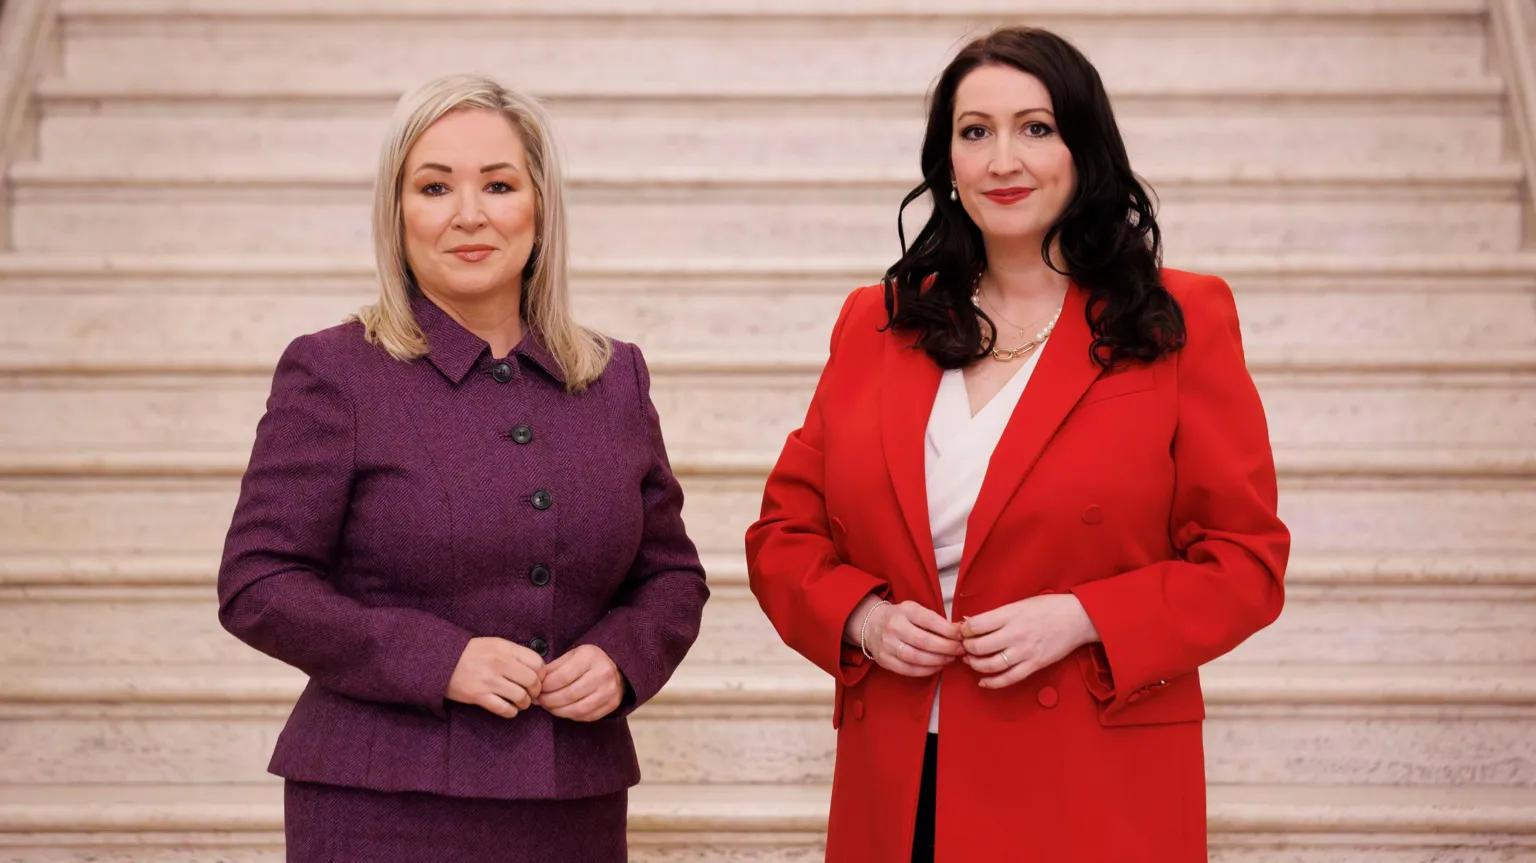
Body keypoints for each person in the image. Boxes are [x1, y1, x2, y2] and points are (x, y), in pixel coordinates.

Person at [746, 27, 1289, 862]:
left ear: (1084, 148)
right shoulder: (878, 322)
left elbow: (1245, 561)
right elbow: (784, 534)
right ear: (948, 163)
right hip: (900, 778)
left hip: (1092, 778)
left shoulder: (1180, 317)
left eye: (1035, 128)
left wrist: (1083, 616)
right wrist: (861, 618)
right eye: (976, 132)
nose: (1004, 159)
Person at [216, 73, 708, 862]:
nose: (469, 214)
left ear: (540, 206)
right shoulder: (334, 372)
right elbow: (258, 582)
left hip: (571, 804)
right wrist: (438, 659)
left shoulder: (615, 377)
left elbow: (672, 577)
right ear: (397, 212)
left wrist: (622, 657)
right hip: (377, 805)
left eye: (499, 184)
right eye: (435, 186)